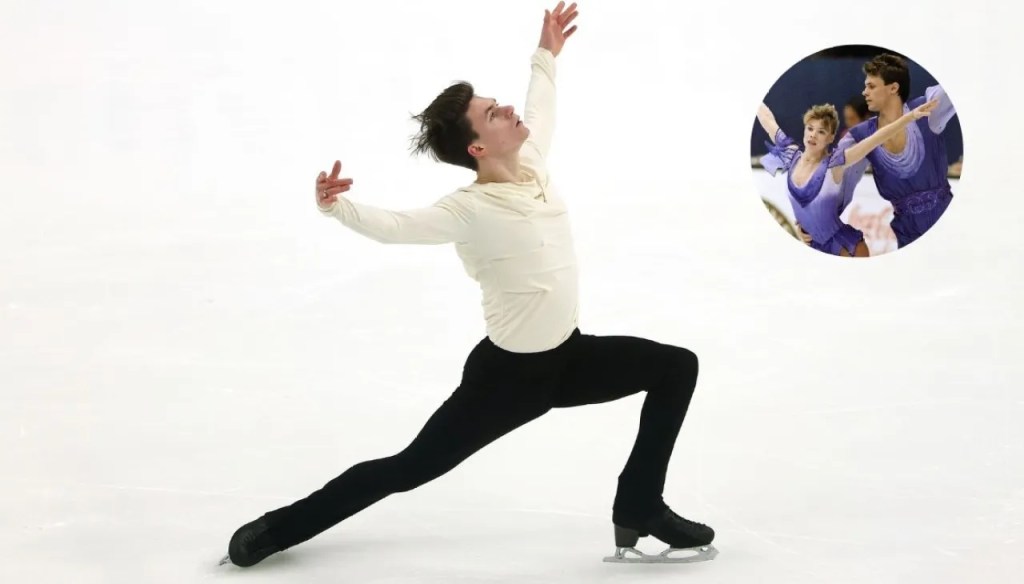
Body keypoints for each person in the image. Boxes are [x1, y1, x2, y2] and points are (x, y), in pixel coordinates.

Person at [221, 2, 716, 568]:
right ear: (478, 148)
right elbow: (397, 227)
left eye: (496, 103)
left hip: (569, 358)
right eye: (491, 113)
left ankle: (640, 505)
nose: (506, 110)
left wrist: (546, 53)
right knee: (408, 469)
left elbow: (541, 105)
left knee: (676, 367)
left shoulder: (532, 161)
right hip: (506, 382)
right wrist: (336, 207)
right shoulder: (467, 210)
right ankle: (276, 529)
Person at [756, 98, 937, 257]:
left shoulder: (835, 164)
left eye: (821, 131)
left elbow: (876, 138)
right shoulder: (790, 156)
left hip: (846, 248)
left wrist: (910, 116)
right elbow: (767, 119)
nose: (813, 134)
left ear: (830, 137)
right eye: (810, 128)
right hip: (810, 247)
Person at [837, 53, 958, 249]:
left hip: (946, 220)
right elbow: (832, 179)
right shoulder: (860, 135)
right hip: (906, 232)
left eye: (871, 86)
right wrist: (812, 221)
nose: (864, 92)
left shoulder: (927, 109)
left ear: (893, 88)